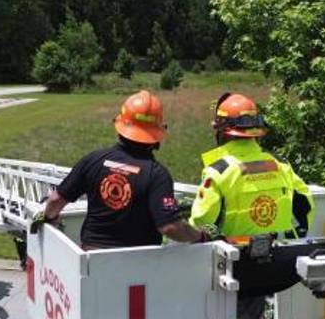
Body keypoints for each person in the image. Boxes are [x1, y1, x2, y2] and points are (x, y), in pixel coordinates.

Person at [189, 93, 314, 319]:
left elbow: (200, 220)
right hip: (274, 262)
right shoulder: (280, 165)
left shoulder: (220, 171)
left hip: (231, 266)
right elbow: (305, 206)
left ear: (221, 130)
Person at [37, 90, 208, 249]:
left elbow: (55, 200)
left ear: (120, 125)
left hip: (91, 259)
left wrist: (49, 218)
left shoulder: (94, 160)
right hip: (138, 266)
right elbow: (170, 226)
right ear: (157, 133)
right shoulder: (157, 175)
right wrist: (200, 237)